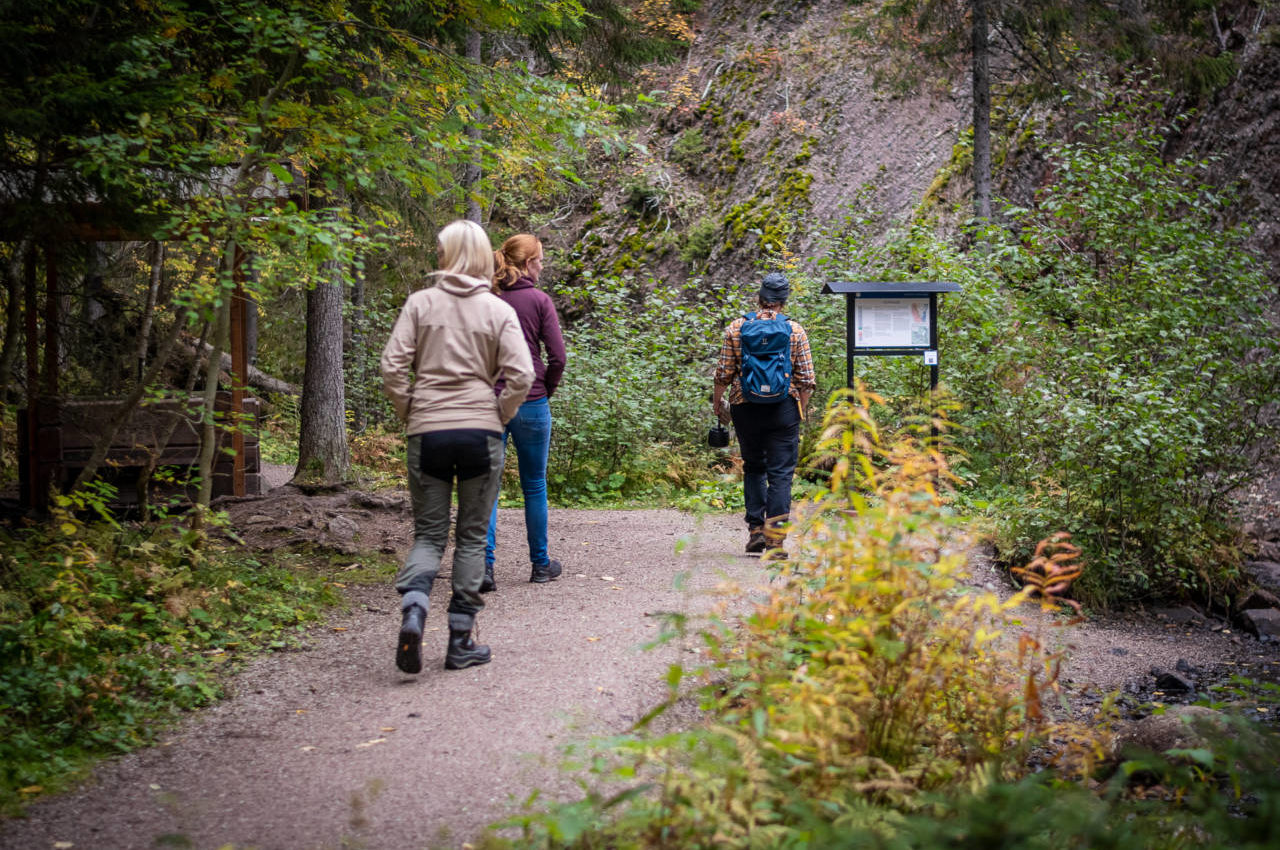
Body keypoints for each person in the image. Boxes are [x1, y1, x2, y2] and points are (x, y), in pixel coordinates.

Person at [380, 219, 534, 674]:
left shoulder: (420, 303)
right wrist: (499, 414)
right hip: (480, 433)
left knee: (429, 535)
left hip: (427, 431)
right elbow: (522, 374)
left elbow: (392, 367)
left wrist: (412, 411)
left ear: (447, 255)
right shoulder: (497, 309)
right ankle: (460, 639)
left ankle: (413, 606)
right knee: (470, 535)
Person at [483, 234, 567, 590]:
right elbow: (558, 356)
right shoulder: (538, 300)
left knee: (485, 487)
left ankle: (483, 570)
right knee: (534, 485)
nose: (543, 265)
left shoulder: (487, 299)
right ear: (529, 263)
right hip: (531, 400)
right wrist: (544, 389)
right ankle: (540, 565)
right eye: (541, 260)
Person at [712, 272, 815, 557]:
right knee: (781, 474)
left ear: (759, 298)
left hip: (745, 406)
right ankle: (775, 540)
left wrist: (718, 403)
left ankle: (756, 530)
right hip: (784, 409)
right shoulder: (795, 331)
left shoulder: (736, 327)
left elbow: (723, 374)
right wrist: (800, 409)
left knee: (754, 467)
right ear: (784, 302)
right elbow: (806, 379)